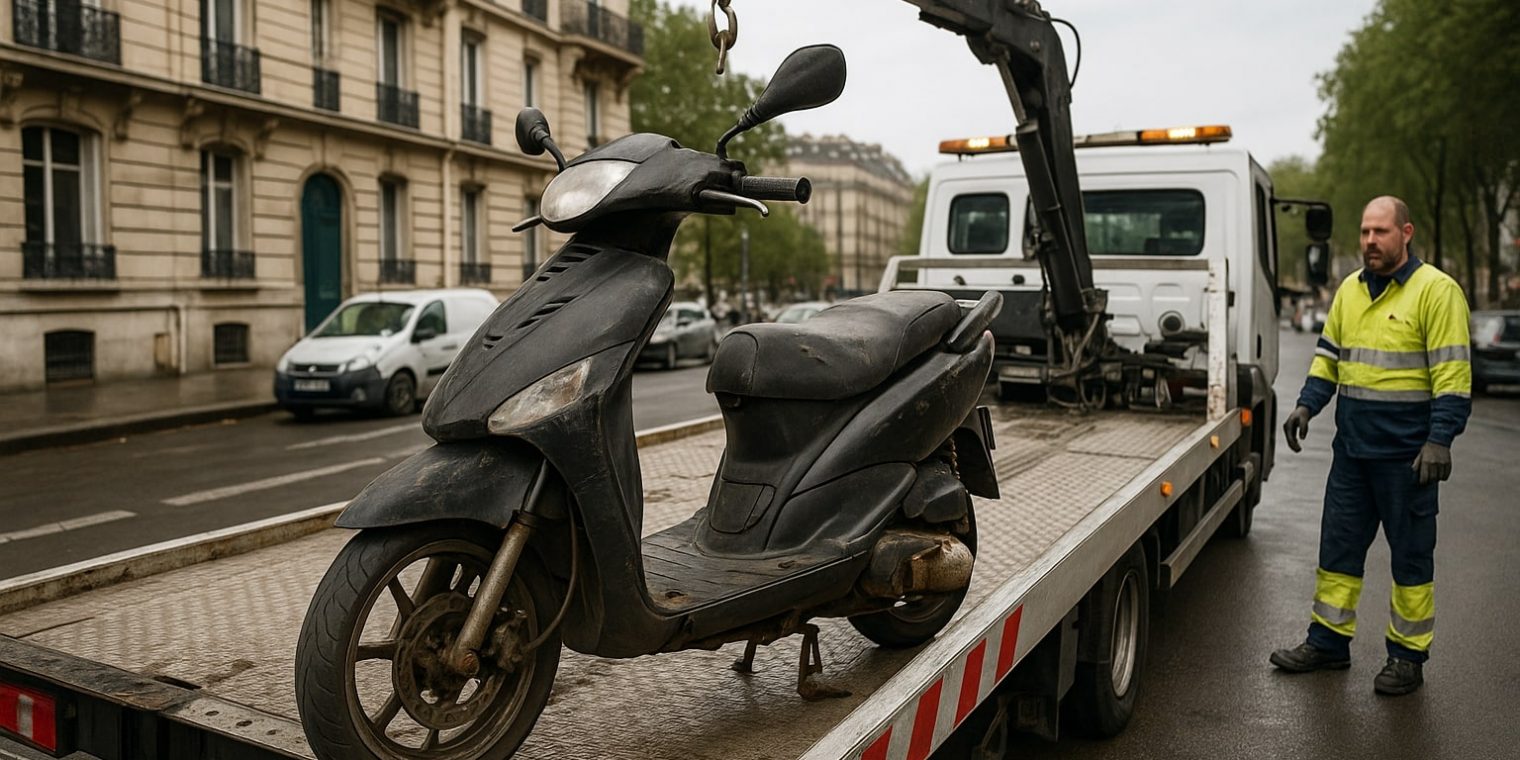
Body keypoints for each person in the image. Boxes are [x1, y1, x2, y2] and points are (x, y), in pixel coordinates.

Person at [1271, 196, 1471, 696]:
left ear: (1407, 233)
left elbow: (1452, 376)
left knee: (1410, 561)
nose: (1369, 242)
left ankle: (1406, 658)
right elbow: (1328, 358)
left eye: (1380, 232)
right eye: (1364, 232)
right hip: (1353, 455)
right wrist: (1305, 406)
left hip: (1409, 460)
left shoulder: (1437, 292)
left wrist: (1439, 440)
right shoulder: (1349, 291)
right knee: (1337, 552)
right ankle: (1328, 643)